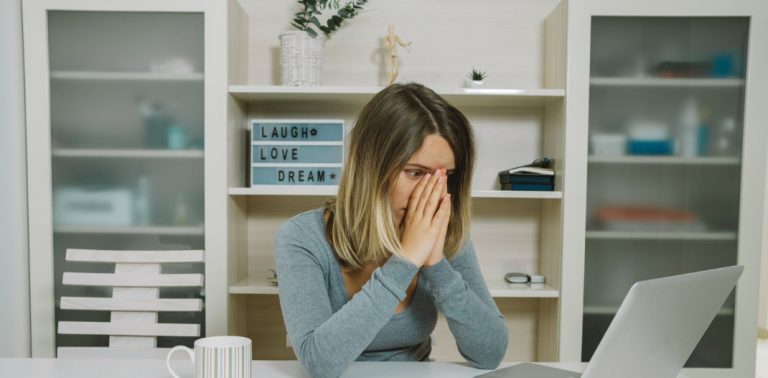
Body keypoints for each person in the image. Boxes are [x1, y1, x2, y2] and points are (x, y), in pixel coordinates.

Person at [275, 83, 508, 378]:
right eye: (415, 173)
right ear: (371, 168)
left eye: (445, 176)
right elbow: (319, 363)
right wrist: (407, 259)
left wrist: (436, 264)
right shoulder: (301, 237)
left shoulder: (444, 233)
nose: (432, 193)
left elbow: (491, 353)